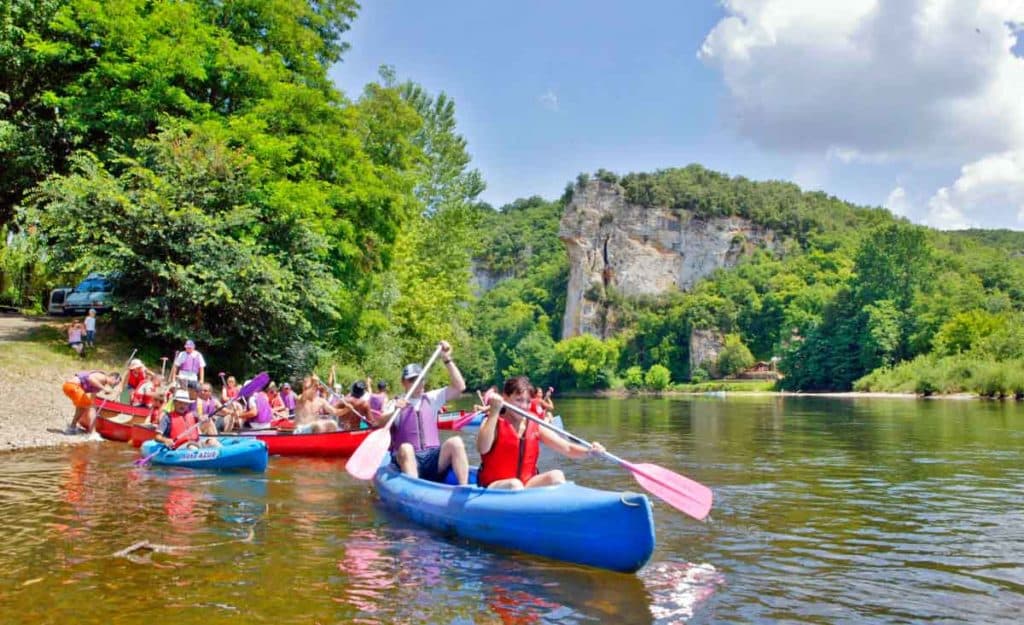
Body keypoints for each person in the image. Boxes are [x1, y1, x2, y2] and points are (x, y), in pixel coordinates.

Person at [369, 340, 469, 485]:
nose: (419, 383)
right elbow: (378, 422)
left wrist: (447, 358)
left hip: (433, 459)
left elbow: (460, 386)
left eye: (421, 379)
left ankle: (463, 488)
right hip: (408, 459)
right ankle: (415, 490)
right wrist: (395, 411)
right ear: (404, 383)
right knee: (406, 448)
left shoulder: (432, 398)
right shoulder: (395, 403)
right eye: (413, 380)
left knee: (456, 442)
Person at [477, 376, 604, 490]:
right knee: (514, 485)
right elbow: (483, 448)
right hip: (494, 487)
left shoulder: (534, 423)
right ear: (505, 398)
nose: (523, 406)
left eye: (527, 402)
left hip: (526, 484)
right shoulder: (492, 421)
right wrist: (494, 412)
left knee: (556, 476)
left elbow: (567, 448)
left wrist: (590, 452)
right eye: (518, 400)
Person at [154, 390, 219, 449]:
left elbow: (202, 418)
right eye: (180, 403)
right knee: (192, 447)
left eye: (185, 403)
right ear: (174, 403)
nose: (183, 406)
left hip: (196, 442)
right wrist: (166, 440)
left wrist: (204, 418)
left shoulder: (192, 414)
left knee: (212, 442)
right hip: (180, 446)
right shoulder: (167, 417)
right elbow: (157, 437)